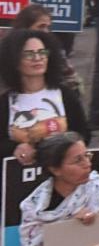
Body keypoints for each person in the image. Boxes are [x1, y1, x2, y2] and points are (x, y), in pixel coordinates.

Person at [19, 132, 99, 246]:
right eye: (78, 160)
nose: (88, 164)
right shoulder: (33, 206)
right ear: (55, 170)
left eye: (87, 156)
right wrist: (70, 227)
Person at [0, 29, 89, 167]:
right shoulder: (5, 101)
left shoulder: (66, 95)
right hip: (19, 175)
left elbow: (84, 133)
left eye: (42, 52)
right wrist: (15, 148)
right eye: (29, 54)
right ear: (14, 61)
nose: (38, 58)